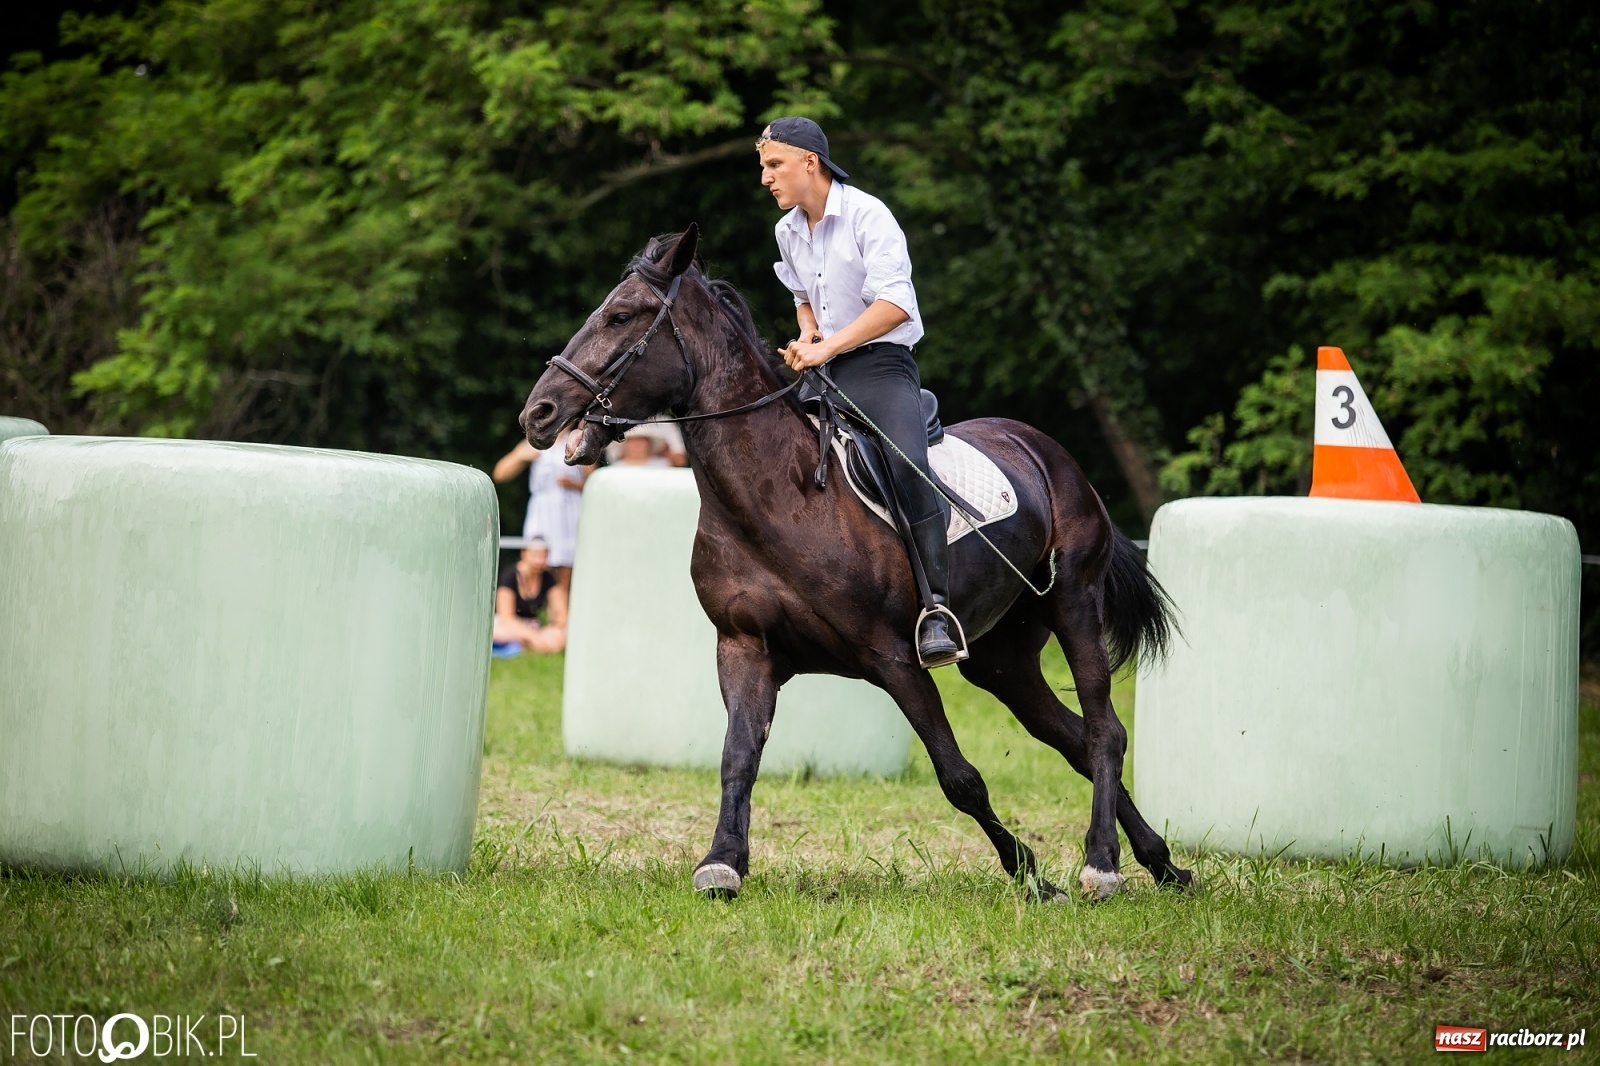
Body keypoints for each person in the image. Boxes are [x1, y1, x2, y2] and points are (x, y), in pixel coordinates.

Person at [757, 116, 961, 668]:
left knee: (907, 464)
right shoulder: (786, 230)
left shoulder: (870, 215)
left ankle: (937, 609)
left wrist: (829, 347)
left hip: (881, 367)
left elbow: (896, 305)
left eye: (773, 165)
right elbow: (802, 294)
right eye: (763, 167)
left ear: (810, 162)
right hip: (826, 371)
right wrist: (806, 335)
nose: (766, 179)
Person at [493, 429, 591, 604]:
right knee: (534, 562)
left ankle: (560, 620)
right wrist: (521, 456)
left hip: (569, 512)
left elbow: (594, 483)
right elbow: (499, 474)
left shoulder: (579, 441)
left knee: (565, 571)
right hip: (541, 512)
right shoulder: (537, 442)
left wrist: (574, 484)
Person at [492, 539, 566, 653]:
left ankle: (528, 644)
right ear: (524, 553)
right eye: (535, 555)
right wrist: (534, 637)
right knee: (499, 632)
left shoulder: (548, 577)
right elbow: (506, 617)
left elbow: (561, 614)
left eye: (543, 556)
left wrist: (556, 628)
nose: (539, 560)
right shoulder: (510, 576)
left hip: (533, 626)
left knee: (560, 634)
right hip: (510, 626)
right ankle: (532, 644)